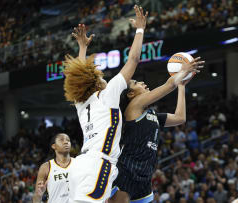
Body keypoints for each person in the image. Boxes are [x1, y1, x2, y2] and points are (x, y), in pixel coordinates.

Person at [63, 5, 148, 203]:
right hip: (98, 164)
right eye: (100, 75)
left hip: (79, 166)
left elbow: (77, 75)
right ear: (96, 82)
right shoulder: (107, 94)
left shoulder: (81, 102)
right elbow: (134, 59)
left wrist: (83, 48)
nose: (103, 76)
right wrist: (140, 29)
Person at [109, 57, 204, 202]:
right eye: (136, 83)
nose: (142, 82)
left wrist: (182, 87)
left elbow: (180, 118)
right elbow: (169, 85)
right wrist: (182, 72)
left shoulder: (152, 115)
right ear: (131, 94)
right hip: (127, 171)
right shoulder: (133, 106)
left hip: (146, 174)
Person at [33, 133, 73, 203]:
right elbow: (36, 198)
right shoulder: (46, 167)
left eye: (68, 140)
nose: (66, 142)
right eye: (61, 140)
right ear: (54, 146)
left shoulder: (78, 163)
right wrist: (38, 195)